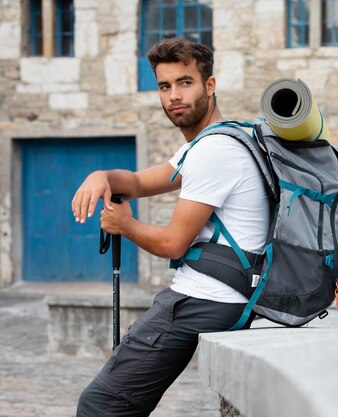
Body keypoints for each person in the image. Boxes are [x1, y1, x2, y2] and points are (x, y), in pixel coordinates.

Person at [72, 38, 269, 416]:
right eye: (165, 87)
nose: (174, 96)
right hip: (221, 296)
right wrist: (102, 175)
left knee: (100, 406)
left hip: (204, 299)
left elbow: (174, 244)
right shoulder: (214, 142)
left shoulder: (215, 151)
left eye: (185, 83)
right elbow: (139, 183)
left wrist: (124, 225)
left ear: (209, 86)